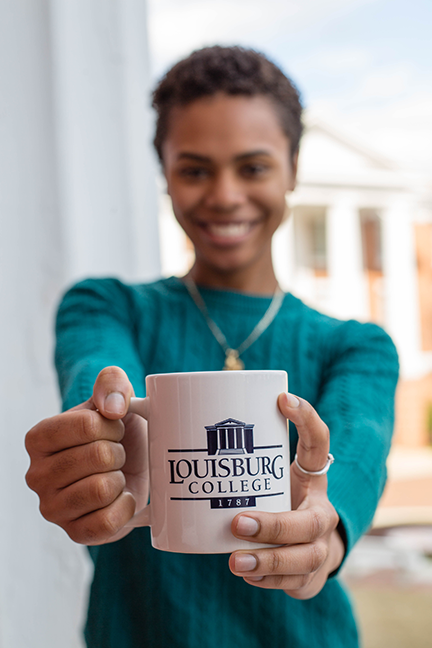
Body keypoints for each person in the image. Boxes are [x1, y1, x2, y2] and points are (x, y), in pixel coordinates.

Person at [25, 46, 399, 647]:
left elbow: (350, 472)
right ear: (165, 172)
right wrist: (95, 445)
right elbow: (98, 381)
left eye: (252, 167)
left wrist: (318, 542)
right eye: (195, 169)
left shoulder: (358, 347)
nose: (224, 195)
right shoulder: (105, 306)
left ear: (293, 168)